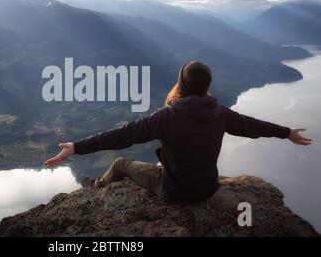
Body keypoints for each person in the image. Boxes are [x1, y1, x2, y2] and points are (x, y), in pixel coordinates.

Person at [44, 61, 312, 204]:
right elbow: (253, 126)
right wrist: (286, 131)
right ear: (207, 85)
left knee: (121, 164)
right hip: (207, 189)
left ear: (181, 83)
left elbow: (122, 135)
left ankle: (97, 188)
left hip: (175, 191)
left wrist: (76, 147)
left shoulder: (168, 117)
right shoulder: (220, 113)